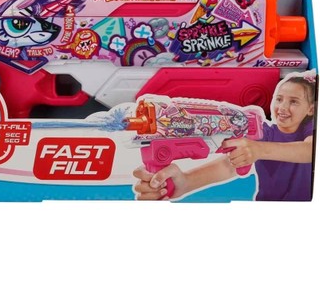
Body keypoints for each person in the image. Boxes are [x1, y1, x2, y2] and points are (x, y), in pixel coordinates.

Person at [133, 72, 316, 202]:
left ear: (311, 109)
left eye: (294, 101)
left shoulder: (310, 129)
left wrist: (258, 149)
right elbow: (229, 165)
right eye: (279, 99)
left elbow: (310, 150)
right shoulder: (266, 131)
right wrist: (185, 182)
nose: (282, 107)